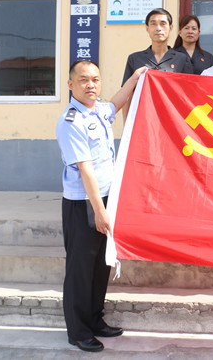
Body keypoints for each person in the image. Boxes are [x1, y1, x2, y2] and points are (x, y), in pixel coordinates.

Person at [56, 60, 145, 352]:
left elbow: (117, 103)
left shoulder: (99, 111)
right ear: (71, 85)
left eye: (95, 79)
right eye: (83, 80)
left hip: (106, 198)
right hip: (84, 203)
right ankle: (78, 331)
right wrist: (99, 210)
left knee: (99, 266)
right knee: (81, 269)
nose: (90, 85)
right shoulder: (71, 121)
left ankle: (95, 320)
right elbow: (86, 171)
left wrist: (135, 77)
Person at [121, 8, 193, 120]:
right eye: (153, 24)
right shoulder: (135, 59)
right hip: (144, 119)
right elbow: (127, 95)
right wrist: (127, 125)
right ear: (147, 28)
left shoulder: (182, 59)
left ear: (171, 28)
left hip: (172, 120)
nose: (158, 28)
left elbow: (188, 95)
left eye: (163, 24)